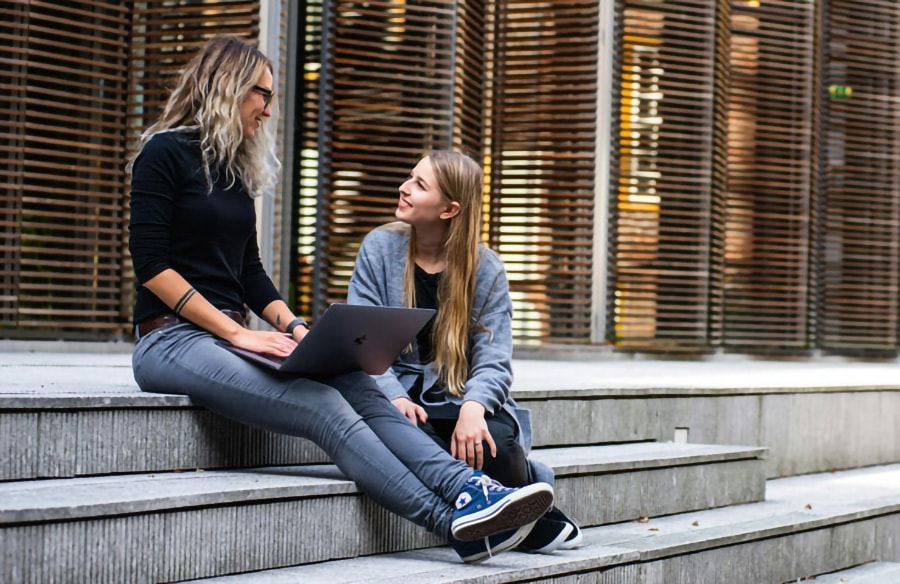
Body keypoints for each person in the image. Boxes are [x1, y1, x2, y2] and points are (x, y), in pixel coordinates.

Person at [126, 35, 555, 564]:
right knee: (324, 405)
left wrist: (300, 331)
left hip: (231, 339)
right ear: (228, 86)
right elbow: (151, 267)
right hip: (170, 340)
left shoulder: (234, 172)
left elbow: (252, 274)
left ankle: (469, 489)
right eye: (262, 92)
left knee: (353, 378)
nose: (268, 106)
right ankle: (452, 523)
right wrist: (237, 332)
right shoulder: (163, 153)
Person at [347, 150, 583, 554]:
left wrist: (475, 407)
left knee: (495, 439)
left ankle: (515, 500)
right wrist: (395, 396)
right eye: (410, 177)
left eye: (419, 185)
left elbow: (495, 358)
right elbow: (361, 339)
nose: (404, 188)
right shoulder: (379, 247)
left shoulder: (485, 267)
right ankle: (531, 518)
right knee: (407, 437)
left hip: (458, 396)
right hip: (398, 394)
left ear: (449, 209)